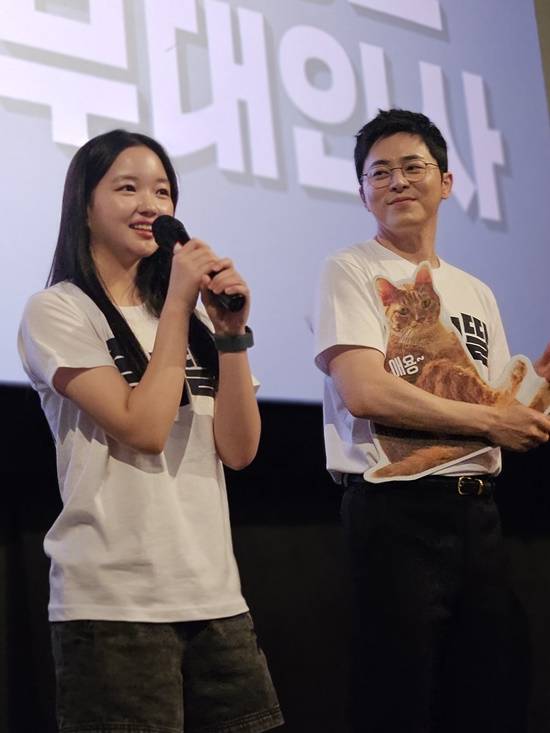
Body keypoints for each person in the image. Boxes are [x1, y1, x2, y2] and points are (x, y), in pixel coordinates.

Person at [18, 129, 283, 733]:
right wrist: (180, 305)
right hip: (114, 610)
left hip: (216, 600)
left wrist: (230, 336)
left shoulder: (187, 321)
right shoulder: (57, 310)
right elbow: (143, 427)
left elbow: (240, 450)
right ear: (85, 205)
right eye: (128, 189)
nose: (151, 206)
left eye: (163, 192)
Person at [313, 109, 550, 733]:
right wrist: (491, 422)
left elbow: (499, 408)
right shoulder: (351, 269)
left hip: (479, 511)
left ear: (445, 182)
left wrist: (535, 395)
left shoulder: (476, 292)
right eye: (379, 172)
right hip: (397, 513)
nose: (396, 181)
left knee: (486, 697)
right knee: (398, 701)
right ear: (362, 193)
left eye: (412, 167)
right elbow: (364, 391)